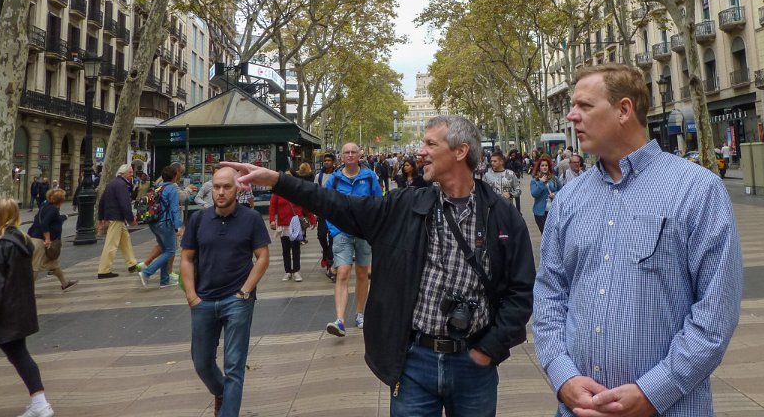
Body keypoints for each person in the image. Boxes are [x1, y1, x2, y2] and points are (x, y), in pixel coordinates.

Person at [222, 114, 534, 417]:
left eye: (430, 144)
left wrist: (489, 348)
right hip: (414, 363)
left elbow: (521, 291)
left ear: (460, 151)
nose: (420, 151)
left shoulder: (502, 216)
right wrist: (277, 181)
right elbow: (338, 204)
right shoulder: (405, 206)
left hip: (474, 365)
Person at [535, 64, 743, 417]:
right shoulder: (568, 200)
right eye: (573, 106)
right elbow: (549, 295)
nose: (572, 116)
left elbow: (715, 313)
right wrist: (563, 376)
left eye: (585, 106)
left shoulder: (698, 190)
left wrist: (653, 392)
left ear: (624, 110)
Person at [181, 167, 270, 417]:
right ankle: (221, 392)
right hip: (204, 300)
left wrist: (245, 291)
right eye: (217, 187)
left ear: (237, 188)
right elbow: (186, 258)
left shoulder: (251, 218)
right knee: (201, 363)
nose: (220, 192)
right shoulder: (199, 219)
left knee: (234, 366)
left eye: (226, 187)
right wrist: (191, 296)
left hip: (237, 301)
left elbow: (263, 257)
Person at [0, 198, 56, 417]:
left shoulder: (1, 245)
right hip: (19, 308)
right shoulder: (22, 240)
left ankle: (41, 404)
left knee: (19, 356)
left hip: (4, 311)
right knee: (20, 355)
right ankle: (40, 402)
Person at [322, 143, 382, 336]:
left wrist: (373, 228)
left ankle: (360, 313)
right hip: (342, 233)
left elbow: (379, 204)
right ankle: (340, 320)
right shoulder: (334, 180)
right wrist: (334, 230)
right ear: (341, 157)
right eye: (346, 152)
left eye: (353, 152)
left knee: (363, 273)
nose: (349, 155)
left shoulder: (369, 177)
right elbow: (326, 206)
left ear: (359, 155)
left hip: (364, 234)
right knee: (343, 272)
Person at [138, 165, 184, 289]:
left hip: (154, 222)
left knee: (165, 250)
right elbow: (174, 209)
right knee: (170, 251)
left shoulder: (158, 188)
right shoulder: (172, 189)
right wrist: (178, 226)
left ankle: (165, 280)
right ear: (175, 176)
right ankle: (146, 273)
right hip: (165, 223)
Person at [26, 189, 77, 292]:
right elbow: (44, 223)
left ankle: (64, 283)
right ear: (61, 200)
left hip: (35, 237)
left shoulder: (45, 206)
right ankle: (28, 291)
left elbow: (41, 219)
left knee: (54, 264)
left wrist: (62, 218)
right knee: (35, 266)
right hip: (40, 241)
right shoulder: (53, 210)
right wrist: (47, 239)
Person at [96, 163, 139, 279]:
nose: (132, 174)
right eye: (130, 172)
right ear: (123, 173)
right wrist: (131, 219)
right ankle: (104, 270)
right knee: (112, 243)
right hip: (116, 217)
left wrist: (100, 218)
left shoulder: (112, 183)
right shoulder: (121, 185)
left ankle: (132, 263)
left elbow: (102, 201)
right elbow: (125, 203)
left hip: (112, 216)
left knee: (125, 240)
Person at [269, 190, 315, 282]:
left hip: (295, 224)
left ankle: (296, 271)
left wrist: (312, 219)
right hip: (283, 224)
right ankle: (288, 271)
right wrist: (272, 220)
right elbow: (272, 206)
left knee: (295, 248)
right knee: (285, 249)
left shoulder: (296, 191)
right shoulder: (278, 192)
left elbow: (305, 206)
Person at [314, 153, 336, 279]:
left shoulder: (338, 175)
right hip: (322, 210)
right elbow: (315, 192)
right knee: (321, 235)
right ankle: (326, 252)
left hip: (334, 211)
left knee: (332, 237)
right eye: (325, 160)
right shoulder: (319, 176)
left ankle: (330, 264)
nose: (326, 162)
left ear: (333, 162)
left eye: (329, 160)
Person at [529, 156, 560, 234]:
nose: (544, 167)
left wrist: (555, 194)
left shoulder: (554, 178)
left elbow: (562, 190)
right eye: (542, 165)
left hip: (553, 210)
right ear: (539, 167)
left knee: (553, 233)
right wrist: (541, 182)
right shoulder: (535, 180)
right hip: (540, 212)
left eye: (546, 165)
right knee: (544, 233)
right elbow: (534, 194)